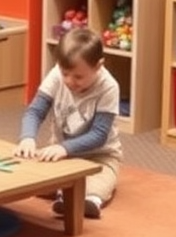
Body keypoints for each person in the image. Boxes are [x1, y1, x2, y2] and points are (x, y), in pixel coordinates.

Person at [15, 26, 122, 218]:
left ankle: (86, 201)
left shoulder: (109, 87)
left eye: (78, 77)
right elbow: (35, 111)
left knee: (98, 184)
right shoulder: (57, 74)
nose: (70, 81)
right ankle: (63, 192)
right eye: (65, 73)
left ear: (98, 66)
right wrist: (28, 138)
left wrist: (64, 147)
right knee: (28, 176)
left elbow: (99, 135)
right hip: (61, 155)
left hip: (100, 157)